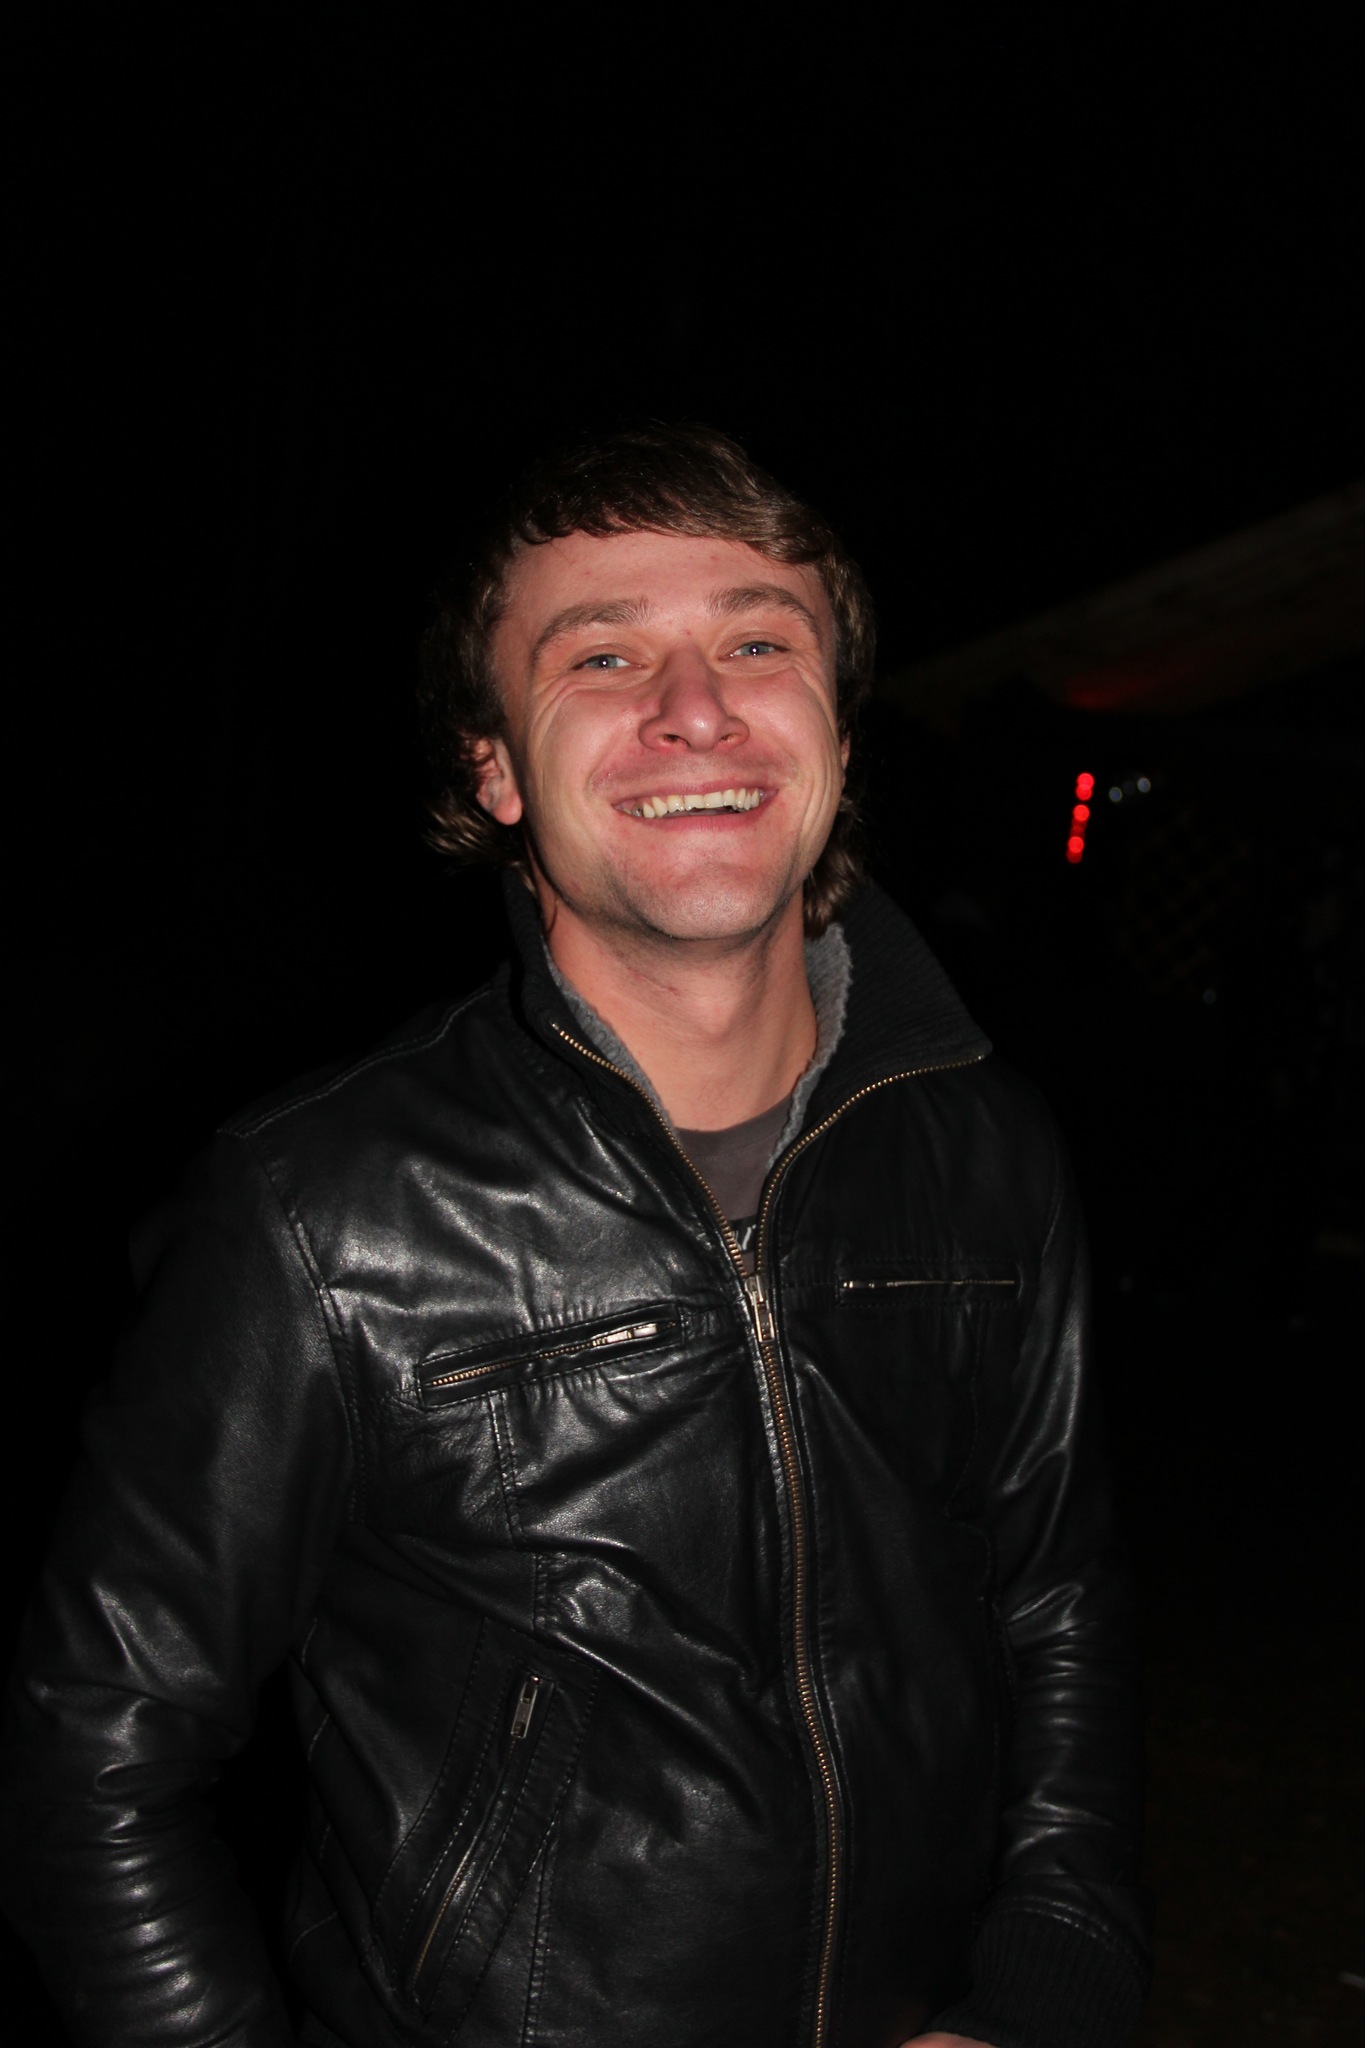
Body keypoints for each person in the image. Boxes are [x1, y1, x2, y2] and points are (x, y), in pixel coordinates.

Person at [0, 424, 1150, 2047]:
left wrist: (1044, 1985)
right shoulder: (318, 1207)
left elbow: (1055, 1603)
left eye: (757, 643)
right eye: (601, 657)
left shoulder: (985, 1146)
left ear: (834, 727)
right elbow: (99, 1757)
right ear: (493, 769)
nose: (696, 708)